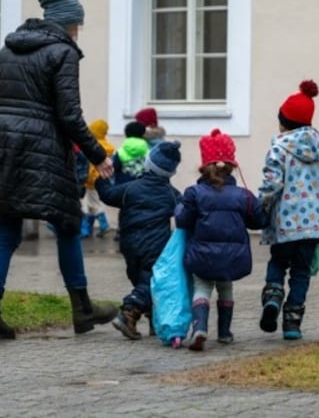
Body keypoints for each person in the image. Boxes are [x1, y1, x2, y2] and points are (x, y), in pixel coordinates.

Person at [0, 0, 116, 341]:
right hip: (44, 150)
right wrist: (98, 155)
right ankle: (81, 309)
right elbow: (69, 114)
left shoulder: (9, 49)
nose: (77, 31)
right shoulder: (62, 52)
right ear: (68, 24)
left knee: (7, 231)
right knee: (67, 225)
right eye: (77, 25)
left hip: (3, 147)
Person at [257, 80, 319, 340]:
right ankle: (292, 323)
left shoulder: (279, 149)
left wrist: (262, 206)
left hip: (286, 221)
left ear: (283, 123)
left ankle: (272, 297)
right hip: (316, 223)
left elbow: (272, 184)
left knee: (279, 261)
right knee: (301, 272)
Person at [175, 129, 267, 351]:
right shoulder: (243, 195)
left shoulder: (194, 193)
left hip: (202, 255)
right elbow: (259, 220)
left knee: (202, 287)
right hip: (232, 257)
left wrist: (179, 207)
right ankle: (225, 333)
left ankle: (200, 327)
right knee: (226, 288)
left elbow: (182, 221)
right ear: (232, 166)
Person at [95, 141, 182, 340]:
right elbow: (186, 209)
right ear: (171, 173)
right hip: (155, 245)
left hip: (128, 244)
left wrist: (102, 178)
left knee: (138, 278)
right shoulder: (171, 195)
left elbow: (108, 195)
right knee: (151, 283)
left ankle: (154, 321)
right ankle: (129, 311)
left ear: (147, 164)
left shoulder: (130, 188)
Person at [81, 119, 114, 238]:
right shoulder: (107, 147)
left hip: (92, 181)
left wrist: (88, 178)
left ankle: (104, 225)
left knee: (94, 204)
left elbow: (91, 167)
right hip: (101, 180)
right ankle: (88, 228)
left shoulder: (94, 147)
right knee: (91, 204)